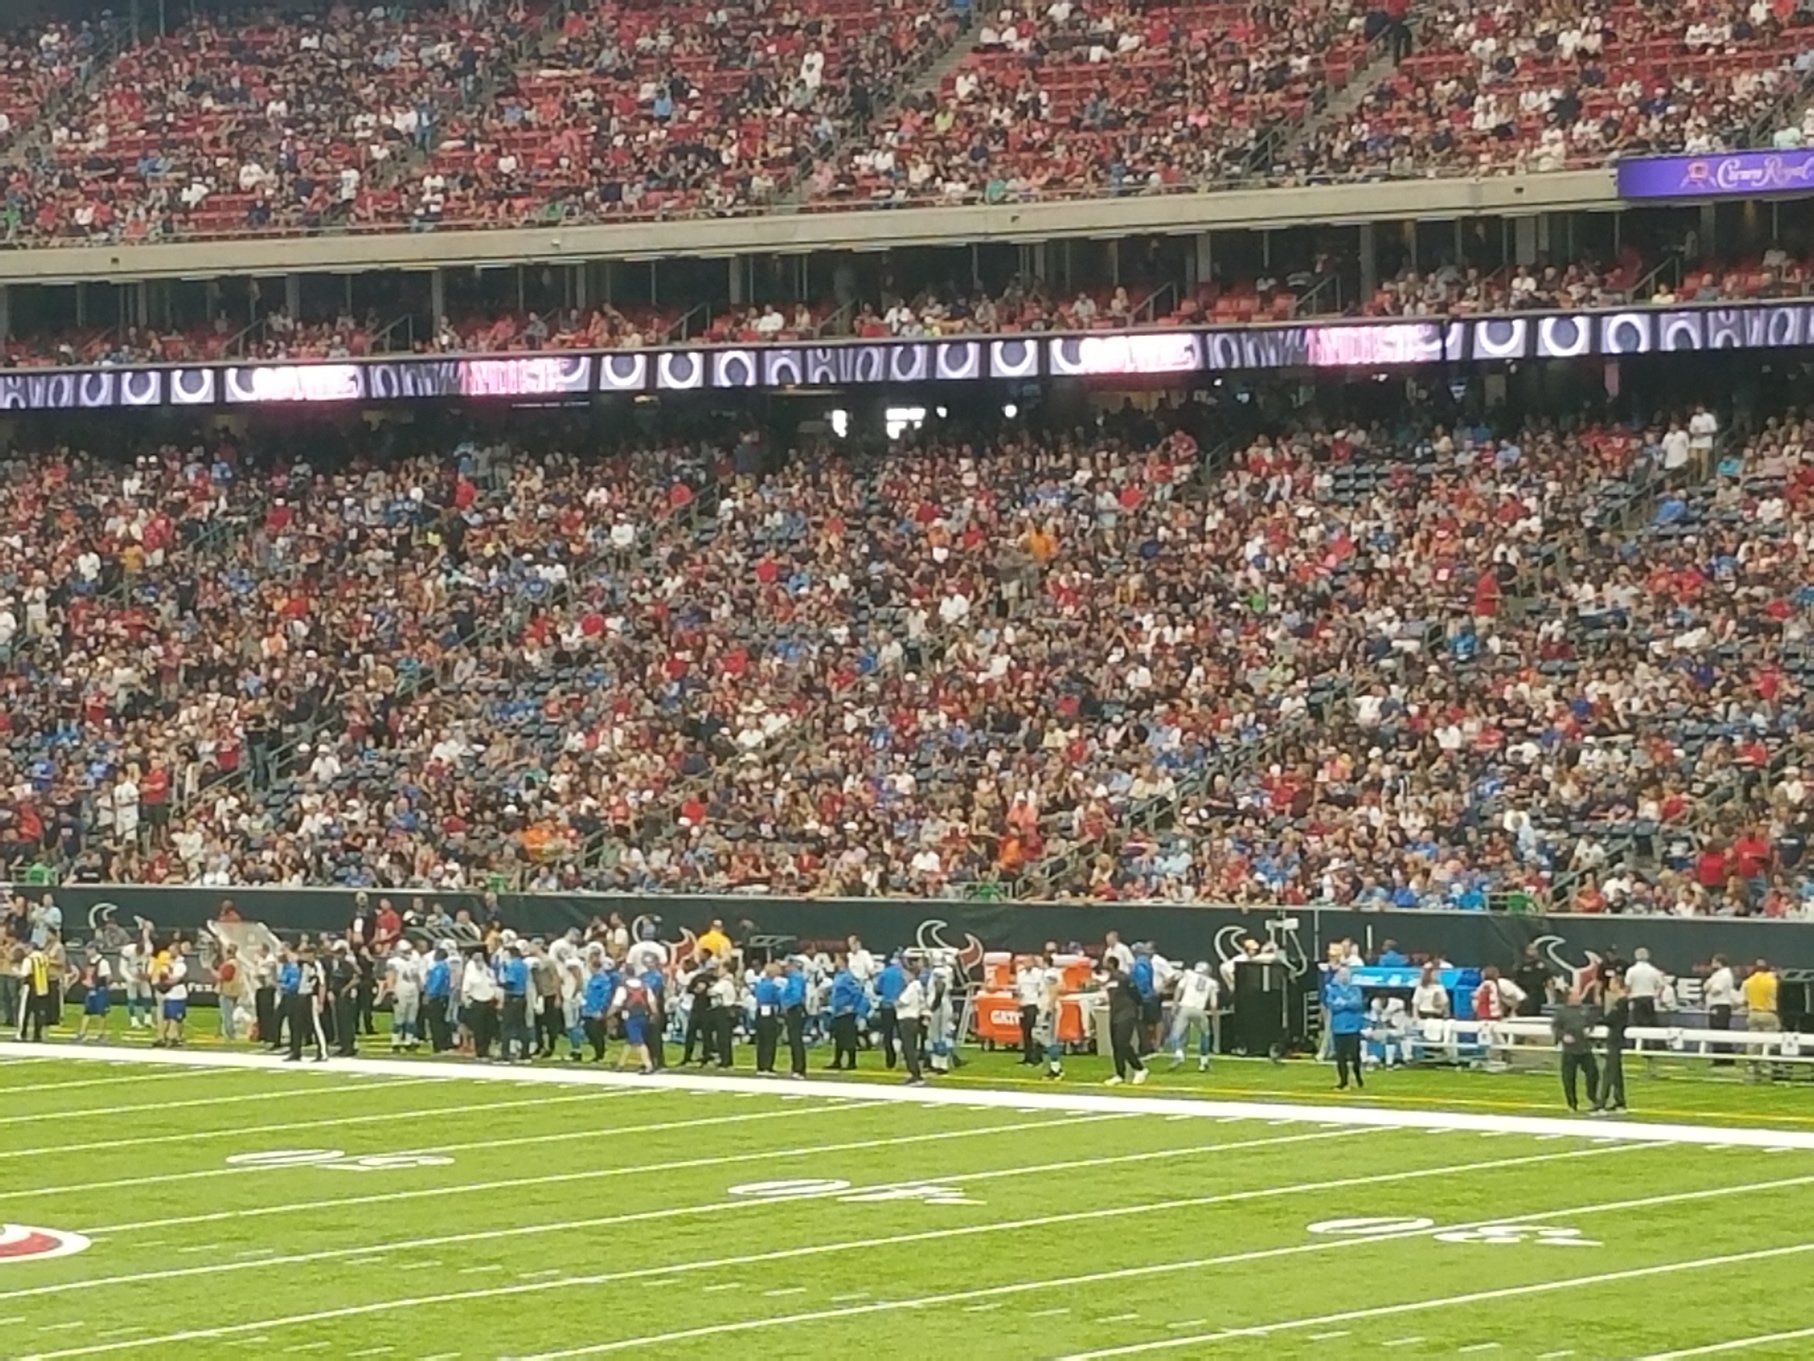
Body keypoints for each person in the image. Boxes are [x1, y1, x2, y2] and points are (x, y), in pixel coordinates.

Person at [1099, 955, 1147, 1086]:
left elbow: (1135, 993)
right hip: (1114, 1014)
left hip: (1126, 1013)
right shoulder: (1109, 980)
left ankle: (1139, 1068)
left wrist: (1137, 1008)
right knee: (1116, 1045)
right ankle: (1120, 1073)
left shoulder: (1123, 978)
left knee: (1123, 1043)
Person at [1551, 983, 1600, 1112]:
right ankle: (1572, 1103)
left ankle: (1592, 1097)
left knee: (1593, 1073)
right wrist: (1562, 1036)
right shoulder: (1561, 1012)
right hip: (1569, 1050)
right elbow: (1555, 1027)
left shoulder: (1585, 1010)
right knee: (1568, 1077)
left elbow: (1591, 1022)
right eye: (1575, 995)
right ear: (1569, 997)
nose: (1578, 997)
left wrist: (1590, 1029)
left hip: (1584, 1048)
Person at [1167, 961, 1217, 1071]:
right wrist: (1214, 1015)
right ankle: (1203, 1062)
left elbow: (1179, 989)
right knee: (1205, 1035)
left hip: (1185, 1008)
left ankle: (1179, 1053)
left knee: (1176, 1034)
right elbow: (1213, 1002)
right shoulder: (1212, 982)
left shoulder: (1189, 974)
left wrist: (1175, 1004)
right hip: (1199, 1010)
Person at [282, 943, 328, 1063]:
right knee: (296, 1024)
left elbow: (322, 984)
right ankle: (296, 1051)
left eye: (307, 953)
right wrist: (287, 950)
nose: (304, 955)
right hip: (301, 995)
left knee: (315, 1025)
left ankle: (322, 1052)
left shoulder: (317, 965)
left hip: (312, 996)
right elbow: (293, 958)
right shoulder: (303, 964)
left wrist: (321, 1002)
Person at [1326, 966, 1366, 1090]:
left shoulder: (1355, 989)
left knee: (1355, 1055)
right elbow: (1332, 1005)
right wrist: (1347, 1003)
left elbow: (1357, 1004)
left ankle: (1358, 1077)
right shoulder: (1333, 990)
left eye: (1346, 974)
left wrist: (1342, 1002)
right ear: (1338, 976)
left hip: (1353, 1027)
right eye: (1342, 974)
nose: (1344, 977)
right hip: (1338, 1027)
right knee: (1340, 1057)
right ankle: (1343, 1081)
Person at [1595, 973, 1630, 1114]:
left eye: (1611, 982)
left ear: (1617, 984)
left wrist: (1595, 1020)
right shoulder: (1620, 1001)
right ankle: (1620, 1102)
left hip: (1615, 1039)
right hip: (1616, 1038)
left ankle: (1602, 1103)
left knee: (1609, 1071)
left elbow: (1610, 1019)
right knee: (1616, 1072)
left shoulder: (1622, 1002)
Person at [1743, 958, 1780, 1082]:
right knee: (1770, 1042)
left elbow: (1743, 999)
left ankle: (1752, 1067)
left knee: (1753, 1043)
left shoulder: (1748, 982)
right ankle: (1768, 1067)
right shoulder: (1771, 980)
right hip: (1768, 1013)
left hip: (1753, 1013)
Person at [461, 947, 501, 1060]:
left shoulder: (488, 971)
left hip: (490, 1002)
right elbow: (465, 990)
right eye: (476, 960)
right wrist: (466, 1002)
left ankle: (487, 1050)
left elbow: (494, 984)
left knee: (489, 1028)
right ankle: (480, 1052)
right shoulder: (470, 973)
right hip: (477, 1003)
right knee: (479, 1029)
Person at [895, 956, 928, 1086]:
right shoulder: (919, 987)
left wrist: (895, 1002)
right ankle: (915, 1073)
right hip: (914, 1018)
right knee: (911, 1048)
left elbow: (901, 1002)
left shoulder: (911, 987)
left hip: (907, 1019)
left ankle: (915, 1074)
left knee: (908, 1049)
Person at [497, 943, 532, 1063]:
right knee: (522, 1026)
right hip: (522, 997)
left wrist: (499, 984)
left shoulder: (512, 965)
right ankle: (525, 1054)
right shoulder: (523, 965)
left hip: (512, 998)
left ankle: (505, 1054)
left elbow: (511, 982)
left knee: (506, 1027)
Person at [614, 975, 654, 1074]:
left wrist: (608, 1015)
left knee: (638, 1042)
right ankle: (620, 1064)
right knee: (630, 1041)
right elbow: (652, 1002)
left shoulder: (623, 988)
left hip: (630, 1017)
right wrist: (654, 1014)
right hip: (643, 1016)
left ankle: (648, 1065)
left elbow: (616, 1004)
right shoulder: (645, 987)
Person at [828, 954, 862, 1070]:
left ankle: (851, 1062)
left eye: (837, 959)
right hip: (837, 1011)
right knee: (839, 1037)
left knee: (848, 1037)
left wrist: (852, 1006)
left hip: (846, 1012)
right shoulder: (838, 976)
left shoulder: (848, 977)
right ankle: (837, 1060)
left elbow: (857, 992)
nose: (835, 962)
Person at [73, 945, 112, 1043]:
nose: (86, 952)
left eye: (88, 950)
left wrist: (103, 987)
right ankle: (82, 1032)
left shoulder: (103, 962)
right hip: (91, 989)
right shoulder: (89, 962)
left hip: (99, 989)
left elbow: (107, 977)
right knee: (87, 1011)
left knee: (102, 1012)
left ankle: (101, 1033)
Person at [1704, 954, 1737, 1067]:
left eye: (1713, 962)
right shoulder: (1716, 975)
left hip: (1721, 1006)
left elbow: (1715, 990)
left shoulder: (1725, 975)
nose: (1712, 964)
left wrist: (1709, 988)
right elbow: (1705, 987)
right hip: (1715, 1006)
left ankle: (1725, 1059)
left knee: (1721, 1032)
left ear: (1719, 963)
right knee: (1715, 1033)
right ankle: (1718, 1058)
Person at [16, 939, 52, 1042]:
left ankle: (22, 1034)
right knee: (38, 1012)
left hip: (30, 987)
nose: (25, 951)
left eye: (26, 948)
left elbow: (24, 974)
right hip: (42, 987)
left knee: (25, 1012)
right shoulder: (44, 957)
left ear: (31, 948)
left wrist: (16, 971)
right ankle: (37, 1035)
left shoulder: (29, 959)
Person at [580, 951, 613, 1062]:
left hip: (596, 1009)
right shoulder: (593, 978)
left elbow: (606, 995)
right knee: (588, 1030)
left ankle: (600, 1053)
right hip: (588, 1008)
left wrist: (602, 1009)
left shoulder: (603, 979)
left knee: (596, 1032)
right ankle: (597, 1050)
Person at [875, 953, 906, 1068]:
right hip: (900, 1006)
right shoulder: (902, 973)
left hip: (886, 1006)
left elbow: (878, 989)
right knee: (903, 1034)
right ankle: (906, 1057)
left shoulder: (884, 973)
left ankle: (890, 1061)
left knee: (887, 1034)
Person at [753, 962, 783, 1075]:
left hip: (760, 1011)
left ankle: (760, 1065)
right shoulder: (773, 986)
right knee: (770, 1040)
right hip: (769, 1011)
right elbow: (778, 999)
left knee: (761, 1040)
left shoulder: (760, 984)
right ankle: (768, 1065)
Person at [782, 957, 810, 1079]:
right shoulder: (796, 977)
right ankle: (796, 1067)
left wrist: (787, 1005)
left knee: (795, 1039)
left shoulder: (795, 977)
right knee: (794, 1040)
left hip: (795, 1010)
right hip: (796, 1009)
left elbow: (796, 995)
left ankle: (799, 1068)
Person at [423, 946, 454, 1052]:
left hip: (436, 997)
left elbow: (436, 983)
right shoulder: (445, 967)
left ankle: (438, 1044)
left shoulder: (438, 967)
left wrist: (429, 995)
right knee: (440, 1020)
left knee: (435, 1022)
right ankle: (444, 1043)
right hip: (443, 997)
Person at [1015, 957, 1043, 1066]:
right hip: (1023, 1005)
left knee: (1034, 1033)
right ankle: (1027, 1057)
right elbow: (1019, 989)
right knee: (1025, 1032)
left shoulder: (1039, 974)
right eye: (1025, 962)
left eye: (1029, 962)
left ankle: (1036, 1057)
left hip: (1034, 1004)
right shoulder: (1020, 975)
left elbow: (1041, 990)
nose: (1026, 964)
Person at [709, 964, 738, 1068]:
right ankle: (726, 1059)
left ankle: (725, 1061)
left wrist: (709, 988)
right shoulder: (728, 982)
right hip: (727, 1010)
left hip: (723, 1010)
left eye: (720, 968)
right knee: (725, 1037)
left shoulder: (724, 983)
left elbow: (712, 992)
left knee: (723, 1037)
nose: (717, 971)